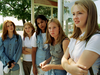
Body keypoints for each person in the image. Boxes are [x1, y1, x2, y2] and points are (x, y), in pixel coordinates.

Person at [61, 0, 100, 75]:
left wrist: (69, 61)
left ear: (90, 15)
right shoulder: (74, 38)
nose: (75, 17)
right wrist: (69, 65)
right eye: (73, 14)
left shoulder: (96, 38)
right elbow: (63, 59)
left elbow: (79, 72)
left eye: (79, 13)